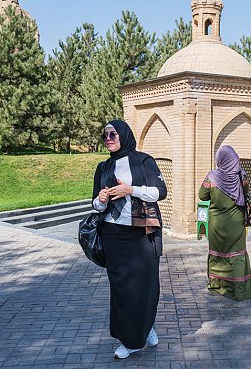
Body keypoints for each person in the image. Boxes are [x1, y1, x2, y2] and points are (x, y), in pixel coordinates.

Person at [92, 119, 167, 359]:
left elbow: (159, 192)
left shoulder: (143, 160)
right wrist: (101, 200)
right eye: (105, 135)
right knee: (122, 290)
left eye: (113, 134)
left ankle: (145, 329)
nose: (108, 139)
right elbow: (94, 204)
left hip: (142, 234)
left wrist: (130, 190)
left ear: (124, 134)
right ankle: (131, 340)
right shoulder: (103, 167)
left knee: (146, 287)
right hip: (114, 235)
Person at [198, 145, 251, 301]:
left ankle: (216, 285)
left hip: (217, 223)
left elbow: (202, 196)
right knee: (236, 253)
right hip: (236, 222)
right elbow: (246, 194)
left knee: (218, 252)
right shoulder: (241, 176)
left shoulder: (212, 177)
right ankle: (238, 291)